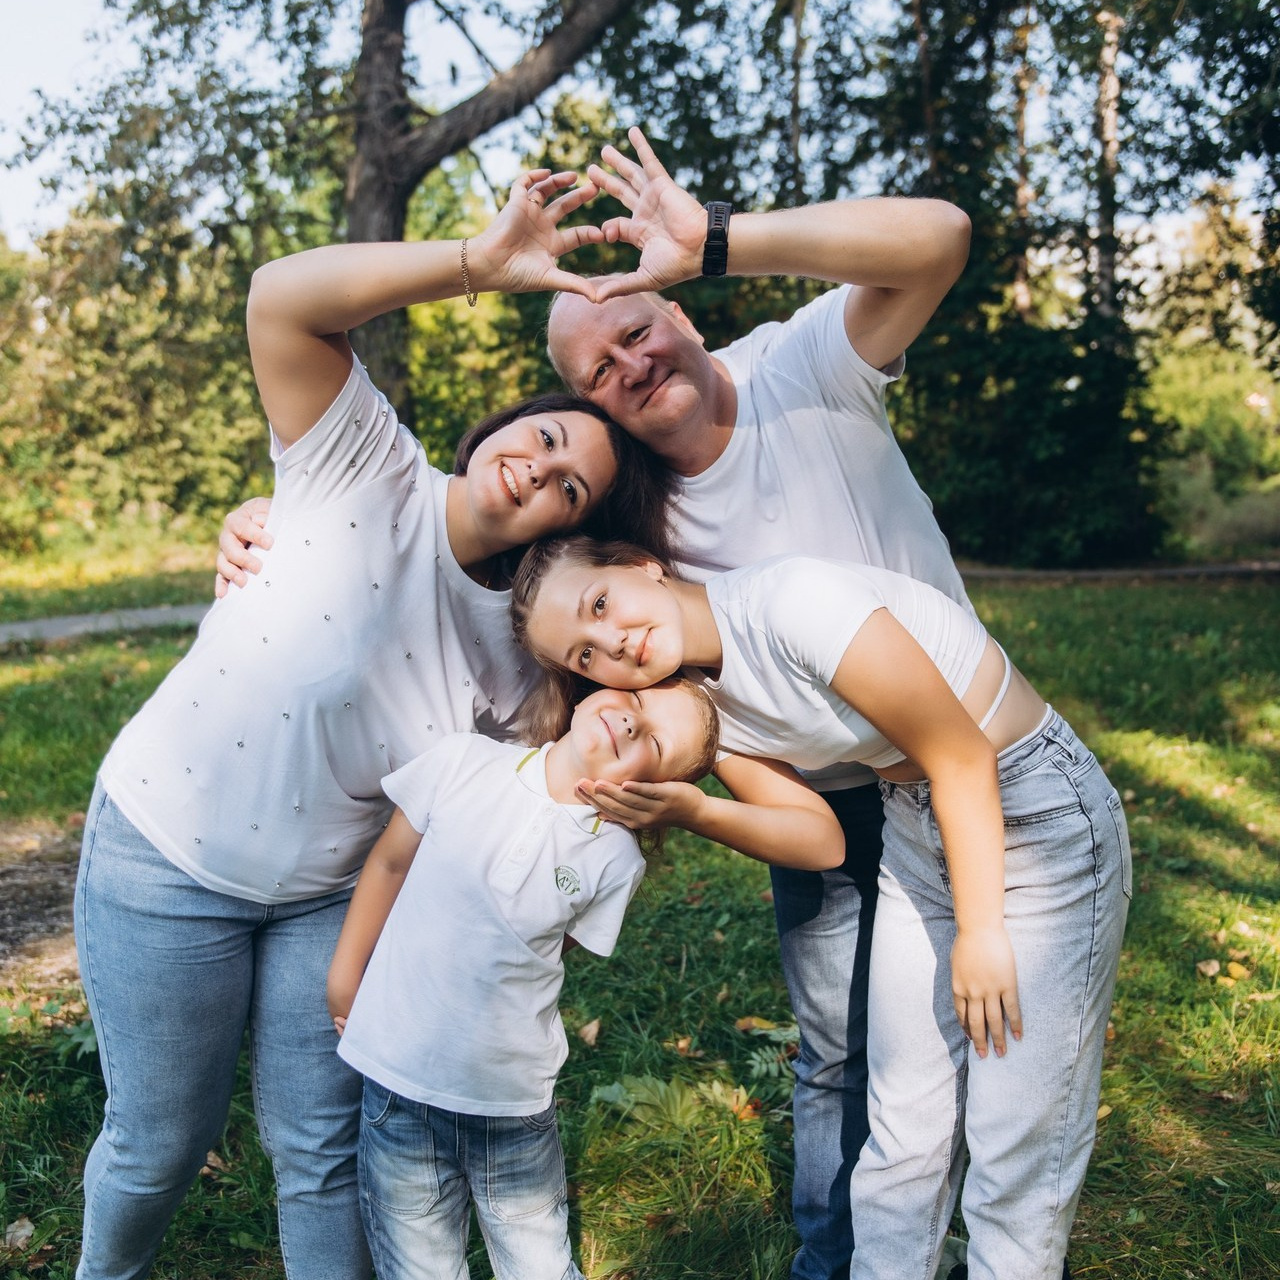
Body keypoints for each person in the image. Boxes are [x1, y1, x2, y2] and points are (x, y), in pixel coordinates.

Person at [216, 128, 974, 1278]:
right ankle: (842, 1257)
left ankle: (983, 1229)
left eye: (636, 325)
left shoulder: (799, 362)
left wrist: (716, 240)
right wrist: (271, 527)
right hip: (815, 779)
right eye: (592, 373)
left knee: (970, 1023)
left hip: (949, 752)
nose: (623, 363)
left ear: (681, 311)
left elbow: (939, 239)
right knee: (835, 1048)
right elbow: (460, 533)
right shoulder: (630, 541)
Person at [72, 168, 679, 1280]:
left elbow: (658, 677)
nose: (542, 467)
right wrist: (474, 266)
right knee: (158, 1144)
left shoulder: (527, 648)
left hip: (326, 897)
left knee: (320, 1152)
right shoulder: (363, 456)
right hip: (163, 850)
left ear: (569, 534)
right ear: (510, 419)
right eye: (547, 436)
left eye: (570, 490)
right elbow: (279, 298)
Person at [510, 535, 1132, 1280]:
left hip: (1034, 821)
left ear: (642, 562)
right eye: (584, 656)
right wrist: (695, 811)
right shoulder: (699, 697)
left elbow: (961, 754)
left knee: (1014, 1147)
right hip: (914, 827)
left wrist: (981, 930)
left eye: (600, 604)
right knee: (902, 1136)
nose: (610, 642)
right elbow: (821, 839)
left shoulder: (792, 603)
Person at [325, 679, 729, 1280]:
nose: (630, 725)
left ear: (656, 791)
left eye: (656, 741)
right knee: (419, 1268)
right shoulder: (464, 761)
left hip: (510, 1104)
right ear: (597, 692)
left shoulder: (615, 860)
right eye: (636, 703)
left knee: (537, 1264)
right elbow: (389, 862)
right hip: (399, 1081)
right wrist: (345, 977)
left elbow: (549, 943)